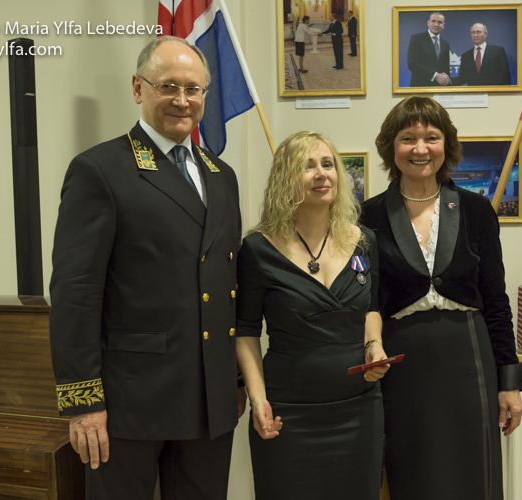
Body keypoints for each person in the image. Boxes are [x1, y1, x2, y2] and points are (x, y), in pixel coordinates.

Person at [49, 36, 244, 500]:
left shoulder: (222, 176)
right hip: (129, 403)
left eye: (193, 89)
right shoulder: (101, 169)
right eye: (168, 86)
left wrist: (234, 381)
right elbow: (76, 294)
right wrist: (83, 402)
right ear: (138, 88)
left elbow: (223, 284)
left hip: (209, 398)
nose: (182, 100)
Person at [361, 96, 522, 500]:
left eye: (431, 137)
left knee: (474, 477)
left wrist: (510, 382)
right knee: (413, 474)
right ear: (391, 147)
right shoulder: (368, 217)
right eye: (408, 138)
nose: (420, 149)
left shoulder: (476, 210)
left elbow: (496, 300)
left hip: (470, 358)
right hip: (403, 365)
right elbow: (367, 301)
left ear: (446, 145)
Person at [236, 131, 389, 499]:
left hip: (358, 409)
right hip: (288, 412)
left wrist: (374, 344)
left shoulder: (364, 240)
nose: (322, 174)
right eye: (307, 166)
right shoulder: (257, 249)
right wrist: (258, 400)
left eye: (328, 164)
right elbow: (245, 331)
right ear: (285, 179)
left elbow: (370, 308)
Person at [407, 12, 451, 86]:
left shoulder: (445, 44)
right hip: (420, 87)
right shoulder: (417, 39)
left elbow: (446, 69)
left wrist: (445, 81)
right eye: (433, 21)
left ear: (443, 25)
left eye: (440, 22)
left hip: (439, 89)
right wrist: (436, 75)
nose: (436, 24)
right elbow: (413, 64)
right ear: (428, 23)